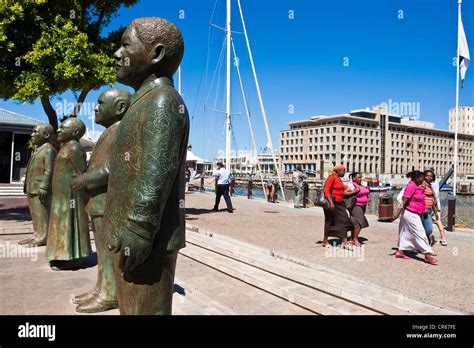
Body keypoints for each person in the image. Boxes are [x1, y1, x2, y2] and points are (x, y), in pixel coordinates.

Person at [104, 17, 189, 315]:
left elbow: (158, 170)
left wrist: (140, 228)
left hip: (147, 241)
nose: (117, 53)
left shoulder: (162, 101)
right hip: (130, 236)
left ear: (156, 54)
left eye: (126, 44)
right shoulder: (144, 101)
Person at [70, 88, 131, 313]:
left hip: (108, 203)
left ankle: (110, 293)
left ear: (120, 108)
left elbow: (111, 169)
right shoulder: (110, 132)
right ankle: (101, 288)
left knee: (107, 251)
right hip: (98, 202)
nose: (95, 107)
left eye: (101, 103)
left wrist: (84, 179)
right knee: (103, 250)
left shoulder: (121, 132)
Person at [46, 117, 91, 270]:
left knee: (70, 224)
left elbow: (81, 173)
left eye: (63, 128)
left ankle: (73, 258)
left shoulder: (74, 148)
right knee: (61, 224)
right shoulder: (65, 147)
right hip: (61, 195)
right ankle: (61, 255)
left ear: (75, 132)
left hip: (70, 195)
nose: (58, 130)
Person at [19, 124, 57, 247]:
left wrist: (44, 186)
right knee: (35, 214)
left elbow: (49, 170)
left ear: (46, 135)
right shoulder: (39, 148)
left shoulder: (49, 149)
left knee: (42, 214)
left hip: (40, 188)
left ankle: (43, 237)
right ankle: (37, 234)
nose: (32, 134)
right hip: (32, 187)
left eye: (35, 132)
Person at [394, 171, 438, 264]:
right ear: (416, 178)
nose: (423, 179)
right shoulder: (411, 186)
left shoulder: (416, 186)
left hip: (412, 212)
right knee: (420, 232)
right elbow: (405, 199)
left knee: (404, 232)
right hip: (410, 213)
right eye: (422, 178)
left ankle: (400, 251)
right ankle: (427, 254)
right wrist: (397, 213)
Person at [322, 165, 352, 248]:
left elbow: (339, 188)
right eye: (343, 171)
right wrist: (331, 203)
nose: (344, 173)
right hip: (332, 202)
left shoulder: (339, 178)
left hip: (339, 203)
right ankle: (325, 240)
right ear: (338, 171)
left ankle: (344, 241)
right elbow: (326, 190)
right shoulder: (331, 177)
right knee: (329, 221)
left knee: (344, 219)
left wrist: (346, 188)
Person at [346, 172, 370, 247]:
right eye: (359, 177)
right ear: (354, 178)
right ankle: (355, 239)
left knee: (355, 222)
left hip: (363, 206)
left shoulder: (361, 185)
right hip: (356, 206)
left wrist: (367, 199)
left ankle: (352, 239)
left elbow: (365, 193)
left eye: (361, 177)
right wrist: (355, 191)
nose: (360, 178)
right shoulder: (351, 185)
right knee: (360, 222)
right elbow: (345, 193)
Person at [426, 168, 447, 246]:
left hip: (431, 205)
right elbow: (436, 195)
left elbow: (433, 196)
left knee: (428, 223)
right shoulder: (436, 182)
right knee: (438, 222)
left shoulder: (429, 184)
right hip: (436, 205)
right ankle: (443, 238)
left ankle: (428, 238)